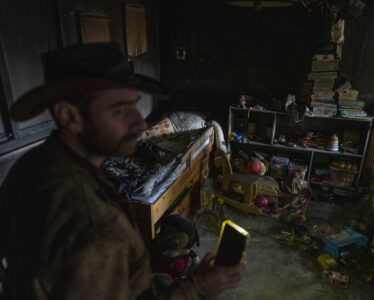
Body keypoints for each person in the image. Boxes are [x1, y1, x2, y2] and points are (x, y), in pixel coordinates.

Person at [0, 42, 245, 299]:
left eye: (134, 105)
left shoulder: (33, 164)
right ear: (70, 116)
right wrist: (199, 287)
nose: (140, 123)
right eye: (119, 110)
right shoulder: (95, 225)